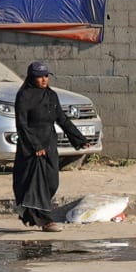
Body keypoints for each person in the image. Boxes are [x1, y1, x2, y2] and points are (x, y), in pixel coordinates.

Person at [10, 62, 90, 232]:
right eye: (40, 76)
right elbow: (22, 125)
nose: (44, 79)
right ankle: (46, 221)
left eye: (46, 76)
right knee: (34, 184)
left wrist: (79, 139)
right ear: (32, 78)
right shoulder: (24, 96)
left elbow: (62, 119)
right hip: (31, 148)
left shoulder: (51, 95)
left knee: (52, 182)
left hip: (49, 144)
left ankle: (32, 213)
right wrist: (35, 146)